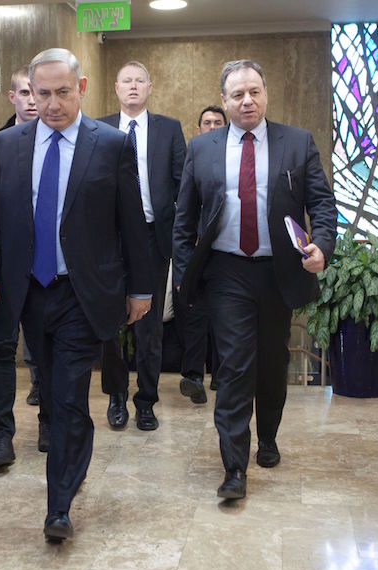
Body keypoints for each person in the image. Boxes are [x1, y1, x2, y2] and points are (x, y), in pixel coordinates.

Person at [0, 48, 151, 542]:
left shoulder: (111, 145)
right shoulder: (4, 146)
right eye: (41, 93)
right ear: (29, 92)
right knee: (50, 395)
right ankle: (69, 472)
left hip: (84, 291)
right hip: (28, 292)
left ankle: (58, 507)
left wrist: (140, 287)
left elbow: (131, 222)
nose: (52, 104)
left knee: (72, 397)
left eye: (62, 93)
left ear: (83, 87)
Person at [173, 60, 337, 500]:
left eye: (255, 92)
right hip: (226, 271)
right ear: (224, 101)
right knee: (234, 364)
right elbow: (184, 218)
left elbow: (321, 204)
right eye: (238, 94)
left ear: (265, 94)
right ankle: (234, 467)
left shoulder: (297, 143)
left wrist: (321, 244)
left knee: (270, 362)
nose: (248, 100)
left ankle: (268, 436)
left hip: (277, 270)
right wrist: (188, 271)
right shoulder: (201, 148)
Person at [98, 61, 186, 430]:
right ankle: (116, 396)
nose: (133, 87)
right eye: (126, 81)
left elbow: (184, 183)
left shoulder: (169, 129)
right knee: (112, 323)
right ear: (116, 88)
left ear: (150, 87)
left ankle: (146, 400)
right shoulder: (99, 128)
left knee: (150, 326)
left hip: (153, 237)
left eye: (139, 81)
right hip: (110, 239)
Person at [0, 65, 44, 467]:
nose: (33, 101)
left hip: (48, 271)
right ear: (13, 97)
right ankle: (1, 436)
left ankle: (51, 424)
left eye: (38, 93)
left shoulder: (60, 142)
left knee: (48, 354)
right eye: (25, 93)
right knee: (2, 351)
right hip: (4, 273)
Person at [174, 106, 229, 403]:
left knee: (224, 316)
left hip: (227, 254)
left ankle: (220, 374)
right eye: (206, 122)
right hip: (197, 252)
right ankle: (193, 376)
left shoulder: (235, 157)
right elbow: (184, 209)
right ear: (198, 129)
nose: (211, 127)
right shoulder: (194, 155)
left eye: (217, 123)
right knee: (194, 315)